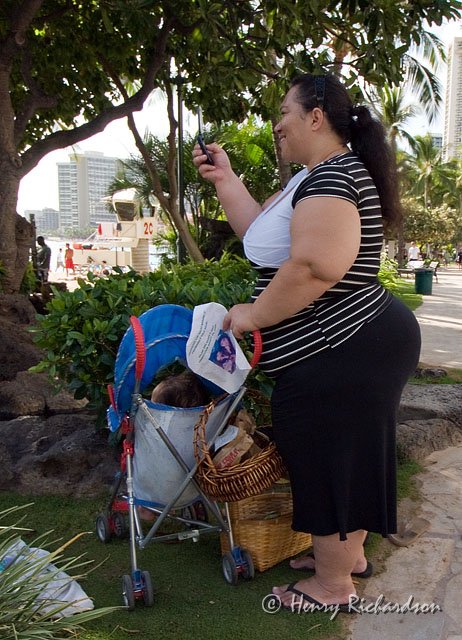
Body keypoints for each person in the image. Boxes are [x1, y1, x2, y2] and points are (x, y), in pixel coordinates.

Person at [193, 73, 421, 613]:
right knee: (345, 456)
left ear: (315, 116)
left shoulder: (333, 179)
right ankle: (345, 558)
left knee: (329, 458)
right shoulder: (314, 178)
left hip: (344, 347)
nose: (276, 124)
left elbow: (316, 266)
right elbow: (261, 235)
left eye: (283, 112)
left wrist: (252, 315)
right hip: (351, 345)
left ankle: (332, 585)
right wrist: (225, 177)